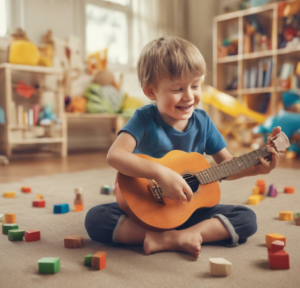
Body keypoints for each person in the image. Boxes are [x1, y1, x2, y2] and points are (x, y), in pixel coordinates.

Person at [85, 36, 281, 259]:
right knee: (96, 219)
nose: (189, 96)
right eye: (177, 88)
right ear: (151, 92)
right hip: (146, 209)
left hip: (188, 210)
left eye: (195, 86)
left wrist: (257, 168)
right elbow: (115, 156)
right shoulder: (144, 119)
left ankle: (184, 234)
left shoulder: (203, 122)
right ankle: (172, 236)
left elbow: (226, 166)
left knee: (246, 218)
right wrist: (161, 174)